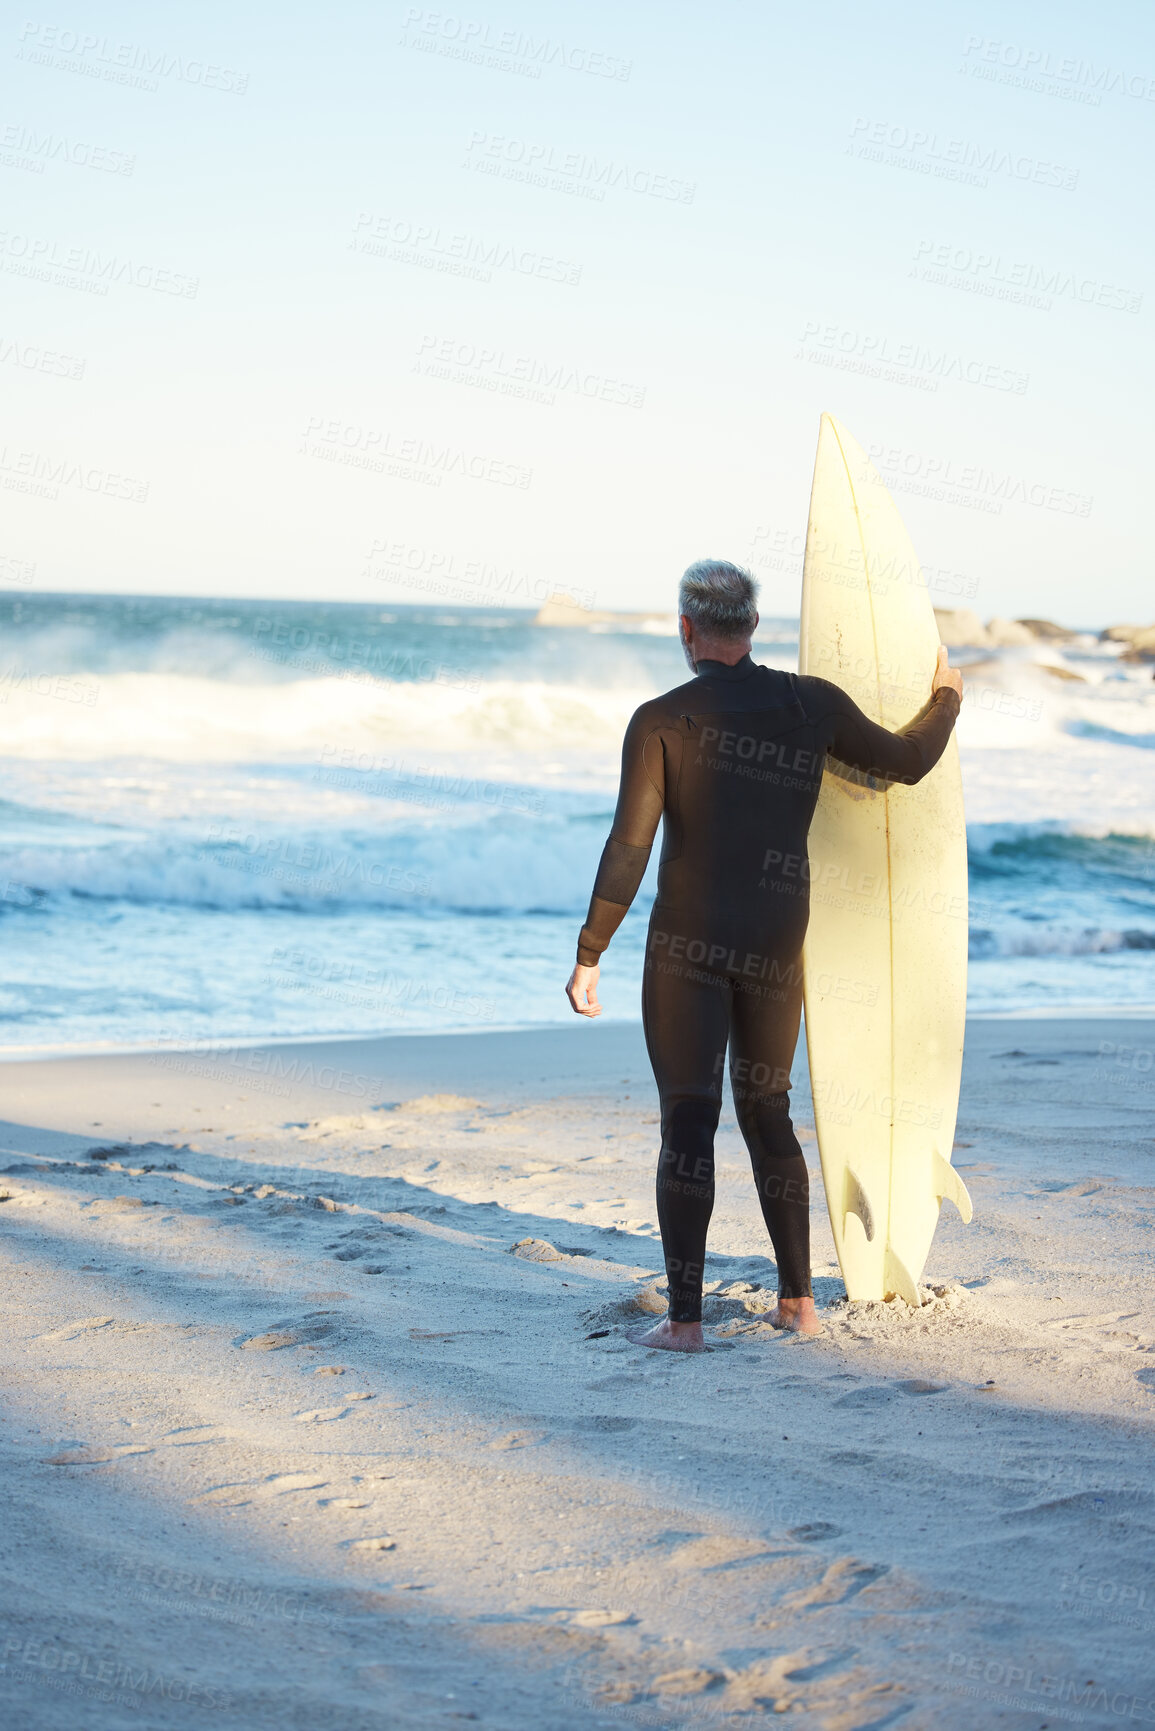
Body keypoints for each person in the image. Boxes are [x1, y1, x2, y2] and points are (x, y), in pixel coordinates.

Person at [565, 560, 964, 1351]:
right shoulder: (807, 702)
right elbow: (904, 763)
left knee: (688, 1119)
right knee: (767, 1111)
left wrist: (590, 952)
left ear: (686, 630)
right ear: (751, 628)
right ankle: (797, 1302)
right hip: (778, 942)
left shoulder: (659, 720)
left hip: (685, 946)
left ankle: (684, 1323)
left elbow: (628, 847)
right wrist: (947, 698)